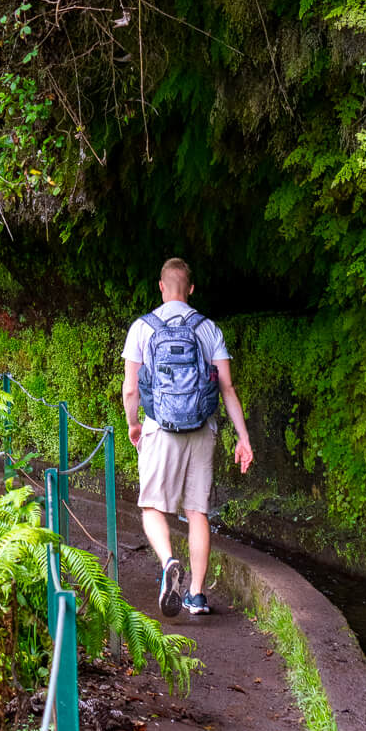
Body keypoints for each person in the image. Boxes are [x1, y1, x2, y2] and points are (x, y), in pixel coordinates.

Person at [121, 257, 254, 617]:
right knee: (197, 512)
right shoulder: (208, 329)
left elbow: (131, 388)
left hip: (160, 428)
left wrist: (134, 424)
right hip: (201, 429)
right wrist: (243, 438)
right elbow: (227, 388)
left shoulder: (142, 329)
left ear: (161, 287)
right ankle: (196, 595)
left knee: (152, 508)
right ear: (191, 289)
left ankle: (168, 564)